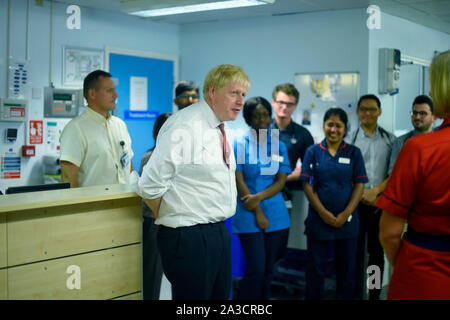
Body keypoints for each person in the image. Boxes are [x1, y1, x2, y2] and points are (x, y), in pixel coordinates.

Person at [138, 64, 250, 300]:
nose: (240, 101)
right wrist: (174, 215)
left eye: (243, 94)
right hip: (188, 236)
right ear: (212, 92)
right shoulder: (185, 127)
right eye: (233, 93)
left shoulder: (224, 128)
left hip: (218, 230)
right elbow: (149, 185)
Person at [377, 50, 450, 300]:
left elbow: (389, 232)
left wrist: (403, 266)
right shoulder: (403, 143)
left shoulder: (421, 148)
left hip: (424, 270)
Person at [300, 108, 367, 300]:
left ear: (345, 128)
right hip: (318, 221)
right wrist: (323, 213)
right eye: (330, 124)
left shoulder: (354, 153)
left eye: (338, 125)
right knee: (315, 270)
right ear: (324, 126)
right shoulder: (312, 152)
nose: (333, 129)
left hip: (347, 222)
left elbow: (360, 185)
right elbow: (307, 185)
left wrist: (346, 213)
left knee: (346, 271)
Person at [232, 97, 291, 300]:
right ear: (248, 118)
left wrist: (258, 197)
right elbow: (238, 179)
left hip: (276, 215)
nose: (262, 119)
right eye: (256, 115)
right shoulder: (239, 143)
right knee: (256, 269)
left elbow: (281, 181)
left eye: (265, 114)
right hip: (248, 213)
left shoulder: (279, 145)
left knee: (268, 271)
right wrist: (257, 208)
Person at [349, 94, 396, 300]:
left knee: (376, 256)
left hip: (379, 205)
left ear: (380, 111)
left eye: (372, 109)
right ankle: (357, 293)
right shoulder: (349, 138)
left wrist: (375, 192)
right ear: (358, 112)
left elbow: (393, 173)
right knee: (355, 254)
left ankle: (374, 295)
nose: (367, 113)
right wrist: (360, 194)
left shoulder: (390, 139)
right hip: (355, 204)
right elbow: (345, 171)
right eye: (363, 109)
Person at [60, 70, 134, 187]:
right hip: (95, 204)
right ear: (92, 94)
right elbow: (68, 177)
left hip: (126, 201)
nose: (116, 95)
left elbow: (128, 165)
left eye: (114, 90)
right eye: (110, 91)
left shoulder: (120, 125)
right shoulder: (75, 129)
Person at [138, 112, 172, 300]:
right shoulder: (149, 158)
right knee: (152, 272)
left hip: (176, 222)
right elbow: (148, 194)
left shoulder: (183, 158)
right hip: (154, 221)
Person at [387, 95, 435, 175]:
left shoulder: (440, 142)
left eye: (423, 113)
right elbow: (393, 173)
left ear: (433, 117)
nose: (417, 117)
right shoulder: (400, 142)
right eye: (415, 113)